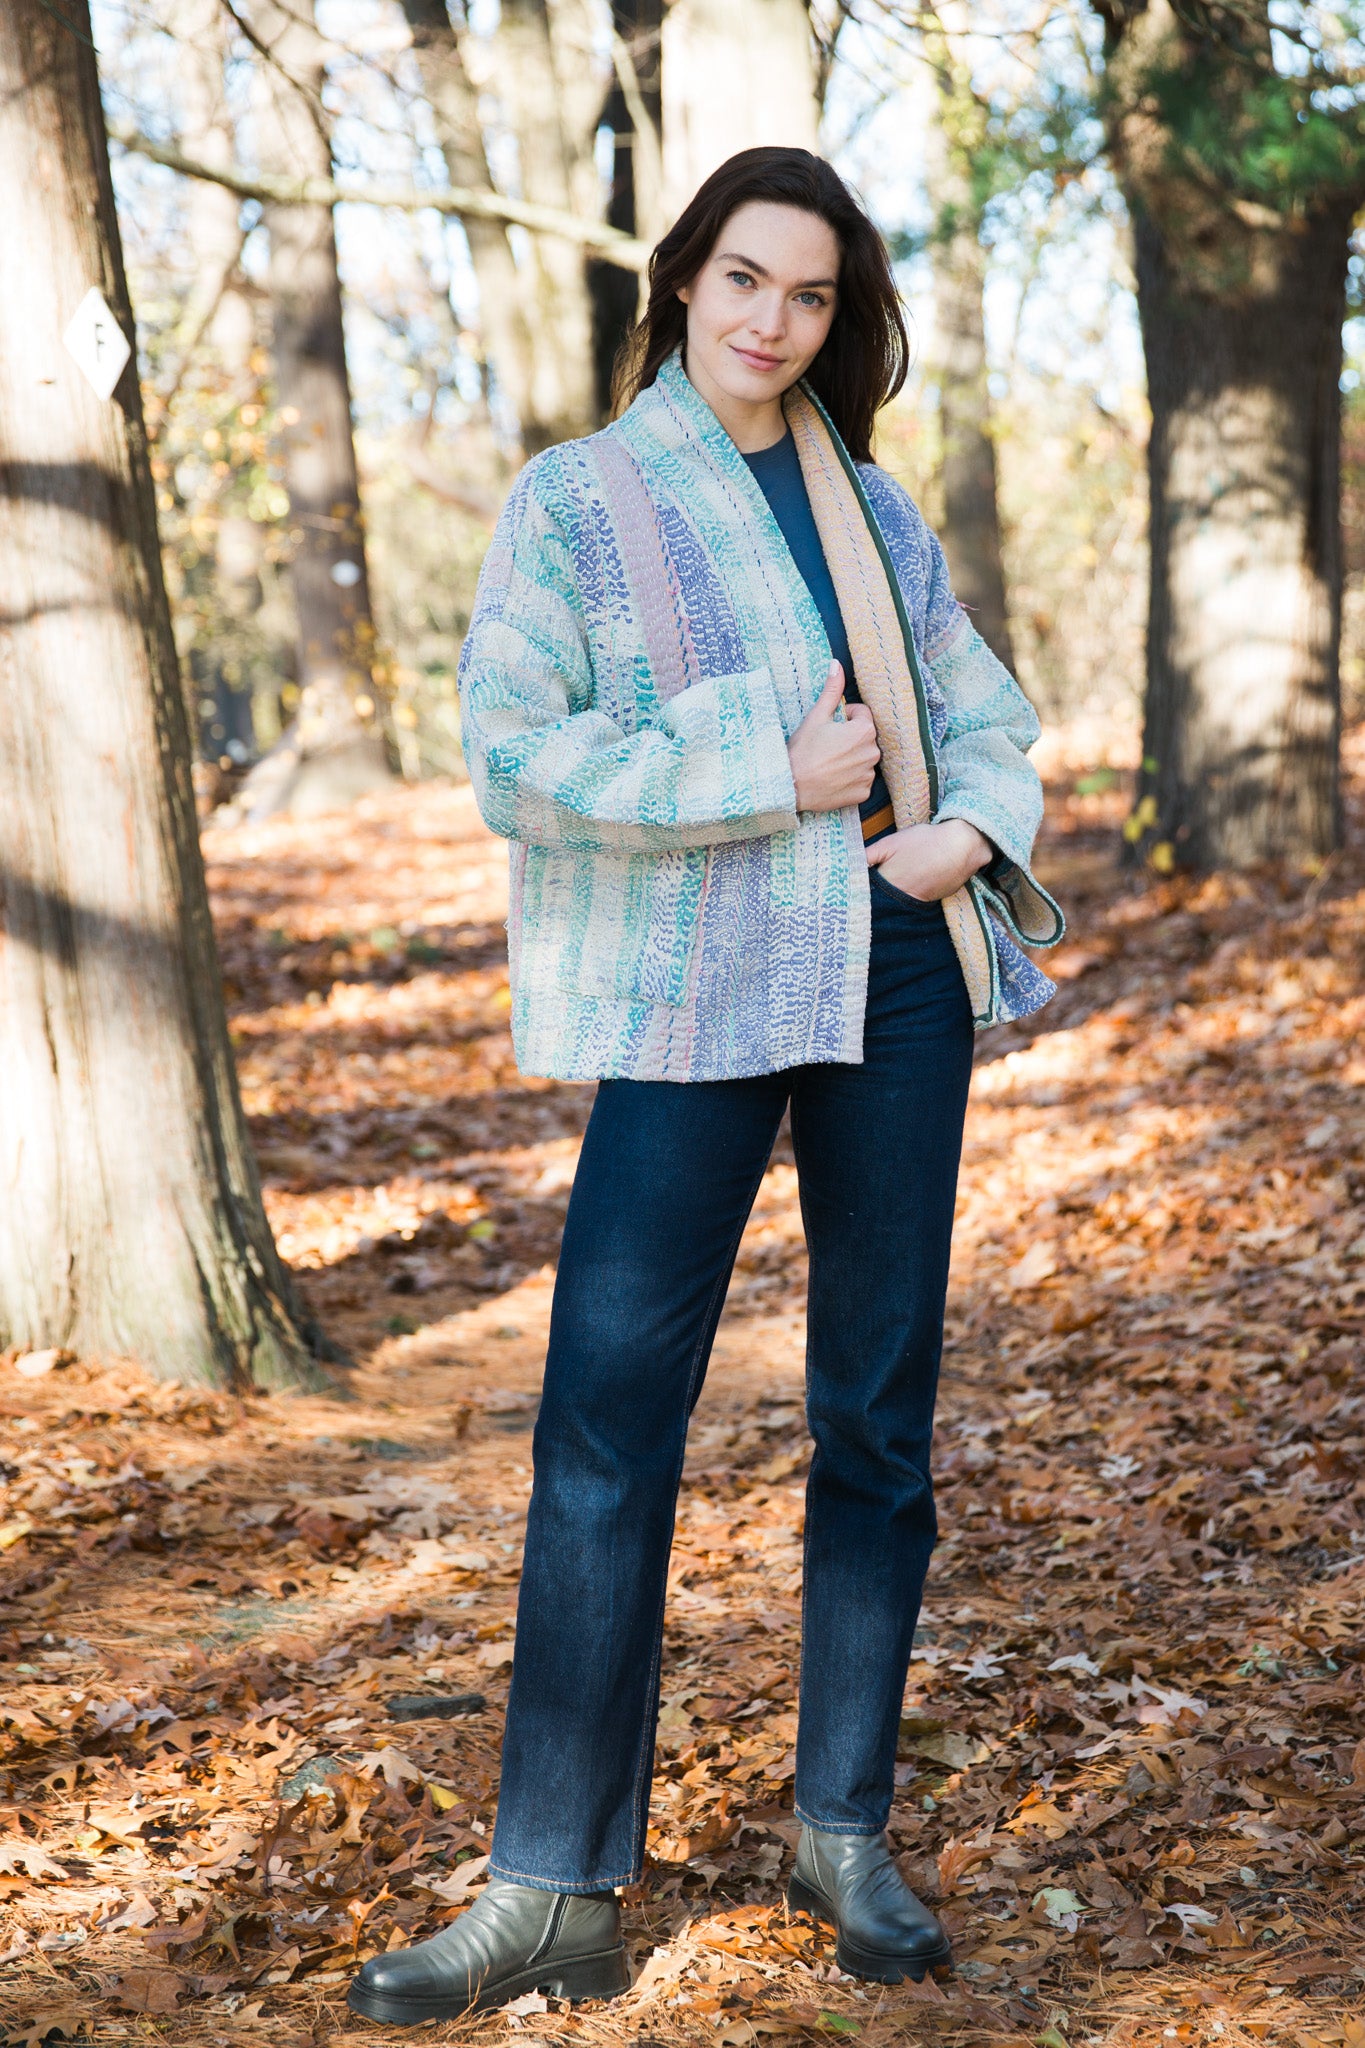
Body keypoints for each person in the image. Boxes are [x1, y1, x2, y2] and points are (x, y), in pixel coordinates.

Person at [348, 145, 1064, 2028]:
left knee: (875, 1416)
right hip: (689, 999)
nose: (772, 322)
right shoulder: (574, 504)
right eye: (745, 280)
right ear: (682, 282)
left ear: (840, 318)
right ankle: (552, 1886)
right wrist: (772, 763)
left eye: (812, 296)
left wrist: (962, 825)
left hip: (890, 985)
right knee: (602, 1425)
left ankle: (845, 1828)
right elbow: (515, 756)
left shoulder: (870, 506)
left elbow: (981, 706)